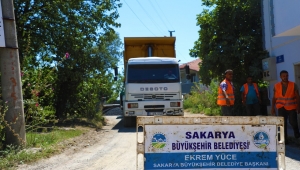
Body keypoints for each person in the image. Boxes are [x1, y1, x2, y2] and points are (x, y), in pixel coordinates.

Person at [271, 70, 300, 144]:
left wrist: (298, 106)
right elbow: (274, 98)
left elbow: (297, 96)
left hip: (292, 107)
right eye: (283, 76)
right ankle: (284, 139)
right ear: (280, 77)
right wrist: (272, 108)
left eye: (286, 76)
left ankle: (297, 135)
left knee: (293, 122)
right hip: (281, 107)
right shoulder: (276, 86)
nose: (285, 77)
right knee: (282, 124)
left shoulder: (293, 85)